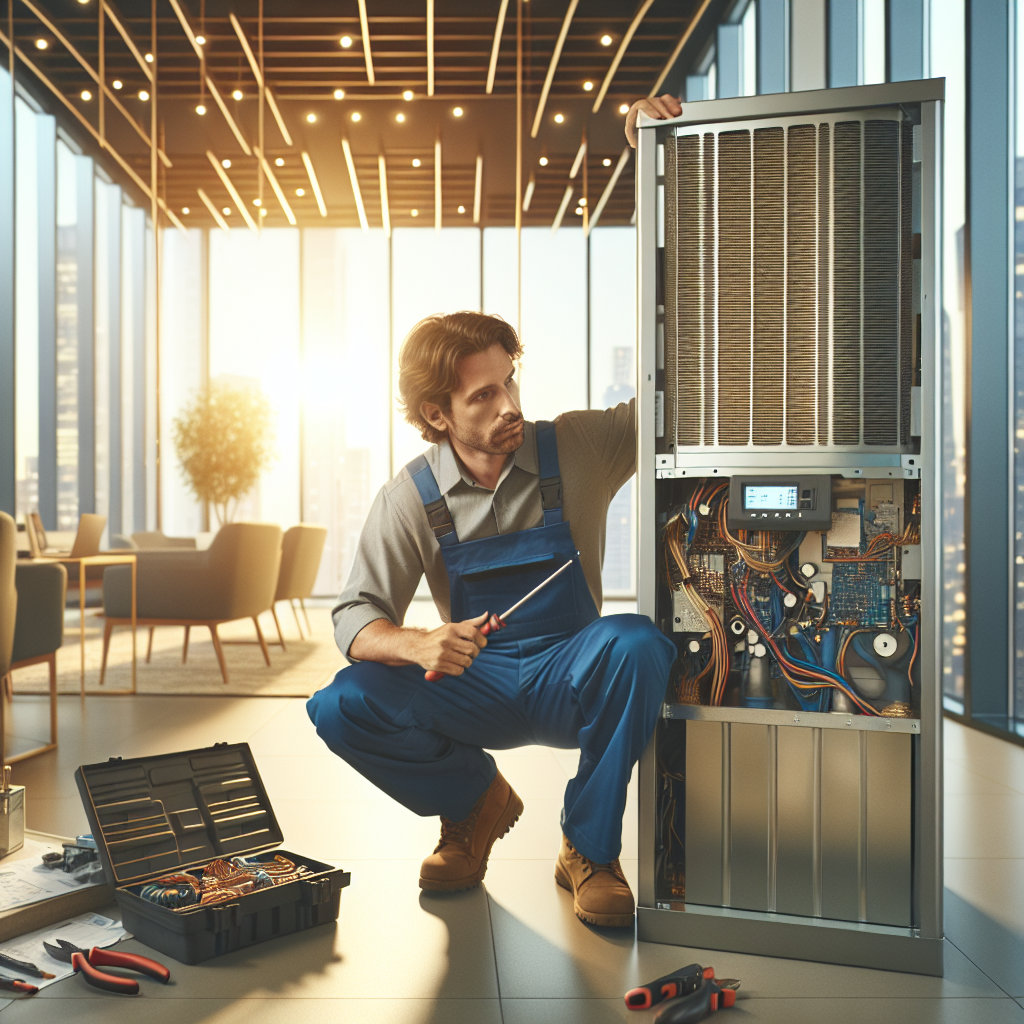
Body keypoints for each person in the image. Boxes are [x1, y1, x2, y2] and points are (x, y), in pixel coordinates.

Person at [307, 309, 675, 929]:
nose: (510, 406)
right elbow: (354, 614)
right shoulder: (410, 497)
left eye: (510, 382)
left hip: (572, 673)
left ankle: (588, 847)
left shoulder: (581, 445)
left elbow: (671, 401)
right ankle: (474, 801)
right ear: (436, 414)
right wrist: (418, 643)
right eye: (484, 395)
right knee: (340, 704)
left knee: (637, 643)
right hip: (476, 685)